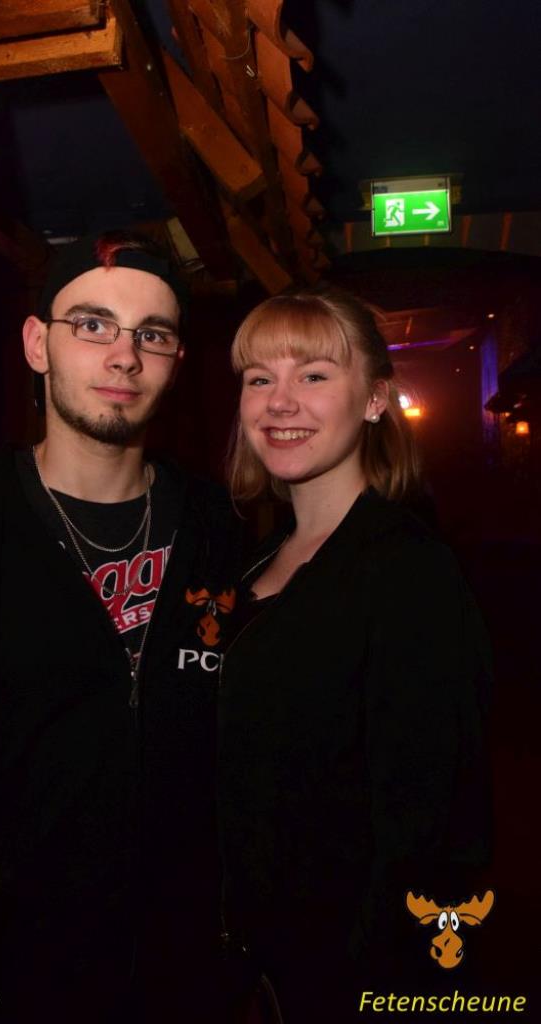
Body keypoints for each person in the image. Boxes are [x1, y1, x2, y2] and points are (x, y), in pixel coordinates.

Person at [0, 231, 240, 1023]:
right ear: (37, 344)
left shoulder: (219, 523)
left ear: (174, 361)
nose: (123, 356)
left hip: (179, 974)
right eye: (92, 324)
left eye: (151, 335)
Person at [218, 287, 492, 1023]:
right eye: (259, 378)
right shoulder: (254, 562)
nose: (280, 401)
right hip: (247, 966)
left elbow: (434, 826)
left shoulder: (407, 571)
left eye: (313, 375)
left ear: (374, 400)